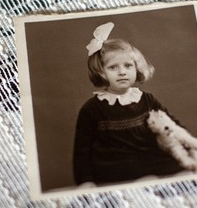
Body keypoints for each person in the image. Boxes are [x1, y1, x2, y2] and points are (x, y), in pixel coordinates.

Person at [73, 22, 186, 187]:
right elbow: (82, 150)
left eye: (128, 66)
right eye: (113, 67)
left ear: (136, 68)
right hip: (116, 167)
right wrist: (85, 180)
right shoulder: (92, 109)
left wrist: (186, 144)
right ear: (101, 72)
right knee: (148, 181)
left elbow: (171, 124)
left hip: (149, 158)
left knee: (183, 173)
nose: (122, 72)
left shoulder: (147, 100)